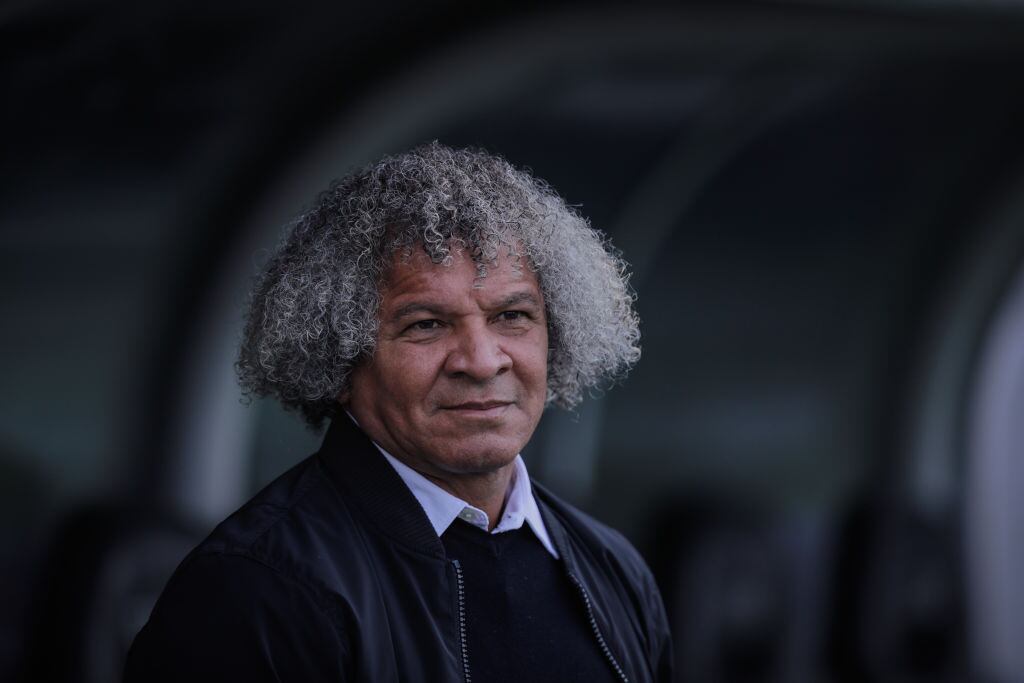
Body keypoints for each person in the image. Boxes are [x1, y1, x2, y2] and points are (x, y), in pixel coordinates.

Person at [124, 142, 672, 682]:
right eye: (426, 324)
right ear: (337, 358)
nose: (482, 362)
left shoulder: (614, 570)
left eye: (512, 315)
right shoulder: (257, 590)